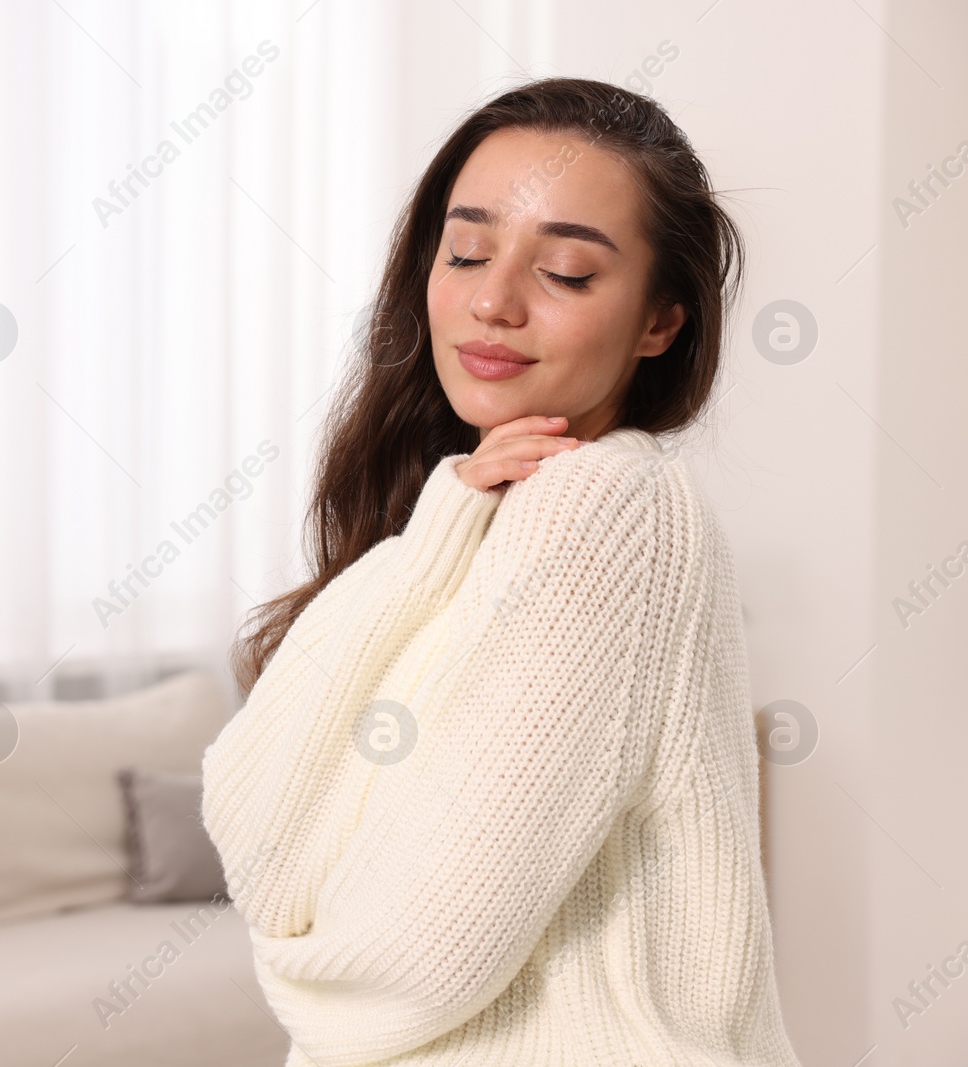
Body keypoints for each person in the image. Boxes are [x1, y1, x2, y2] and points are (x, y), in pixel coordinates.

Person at [201, 77, 805, 1066]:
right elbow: (254, 829)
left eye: (565, 271)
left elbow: (415, 948)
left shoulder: (606, 505)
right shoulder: (472, 514)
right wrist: (436, 534)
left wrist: (311, 938)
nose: (491, 299)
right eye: (467, 249)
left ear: (660, 321)